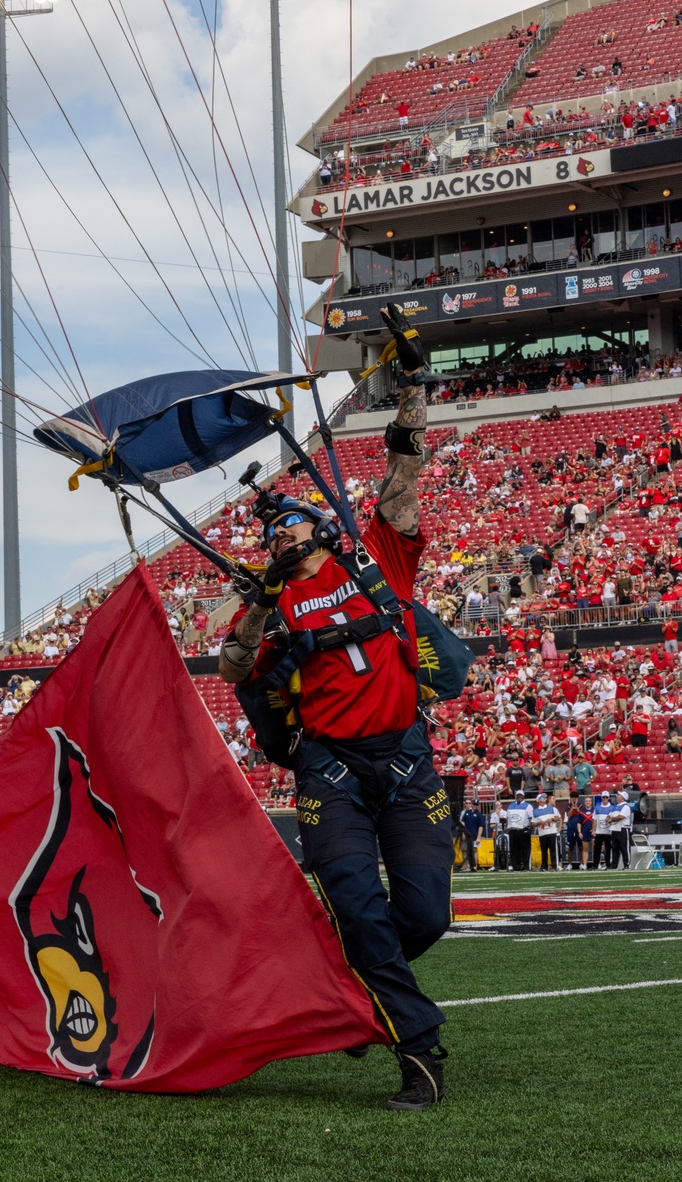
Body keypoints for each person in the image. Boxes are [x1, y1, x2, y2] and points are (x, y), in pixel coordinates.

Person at [218, 303, 453, 1111]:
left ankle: (358, 994)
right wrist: (255, 603)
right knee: (356, 904)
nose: (280, 537)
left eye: (289, 525)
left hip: (406, 757)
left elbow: (406, 470)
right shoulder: (271, 606)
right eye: (269, 534)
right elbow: (235, 665)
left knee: (421, 914)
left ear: (318, 523)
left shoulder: (380, 556)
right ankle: (418, 1048)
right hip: (330, 771)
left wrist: (412, 384)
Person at [506, 789, 533, 871]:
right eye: (517, 795)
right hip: (513, 830)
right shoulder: (511, 805)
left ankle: (526, 866)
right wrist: (509, 826)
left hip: (523, 829)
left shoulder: (528, 806)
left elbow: (531, 818)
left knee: (525, 849)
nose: (519, 797)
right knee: (514, 850)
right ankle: (516, 866)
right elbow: (508, 817)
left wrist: (529, 829)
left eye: (520, 795)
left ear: (523, 796)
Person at [459, 800, 486, 872]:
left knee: (474, 851)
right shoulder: (467, 813)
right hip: (466, 834)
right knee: (464, 850)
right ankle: (465, 866)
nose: (475, 805)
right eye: (474, 804)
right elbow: (463, 822)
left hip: (474, 835)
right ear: (472, 804)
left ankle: (474, 866)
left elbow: (481, 826)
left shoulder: (479, 814)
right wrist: (463, 833)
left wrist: (478, 837)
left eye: (476, 804)